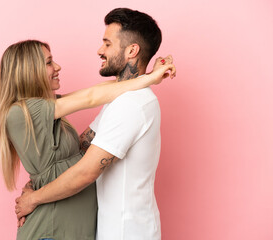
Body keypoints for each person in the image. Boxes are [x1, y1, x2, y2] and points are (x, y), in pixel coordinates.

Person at [15, 8, 174, 240]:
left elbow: (85, 171)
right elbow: (80, 148)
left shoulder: (132, 104)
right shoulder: (120, 99)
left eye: (107, 44)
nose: (100, 50)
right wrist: (36, 182)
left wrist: (34, 199)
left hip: (127, 233)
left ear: (132, 50)